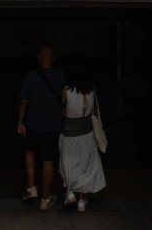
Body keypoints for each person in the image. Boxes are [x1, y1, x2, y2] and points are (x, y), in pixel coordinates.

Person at [16, 43, 67, 209]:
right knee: (48, 161)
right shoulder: (60, 75)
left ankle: (31, 188)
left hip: (33, 125)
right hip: (53, 127)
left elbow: (24, 101)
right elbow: (64, 100)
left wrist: (20, 122)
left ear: (39, 58)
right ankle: (45, 199)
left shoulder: (30, 75)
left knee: (30, 152)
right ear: (53, 58)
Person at [58, 67, 106, 213]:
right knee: (85, 167)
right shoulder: (91, 89)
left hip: (69, 135)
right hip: (87, 134)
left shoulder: (66, 90)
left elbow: (63, 106)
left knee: (68, 164)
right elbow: (94, 110)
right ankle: (81, 202)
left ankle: (70, 193)